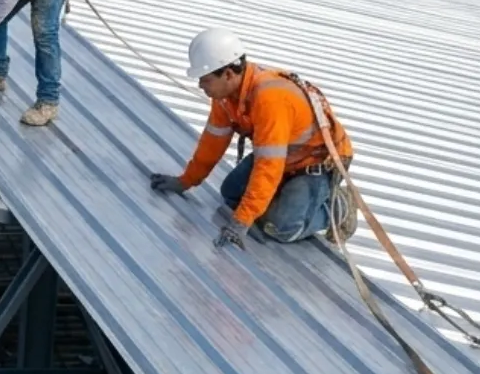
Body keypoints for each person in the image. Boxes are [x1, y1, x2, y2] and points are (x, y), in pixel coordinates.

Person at [149, 28, 357, 248]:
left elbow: (269, 166)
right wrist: (185, 181)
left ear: (228, 74)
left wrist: (241, 222)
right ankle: (283, 198)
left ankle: (339, 208)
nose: (200, 85)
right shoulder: (225, 97)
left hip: (316, 163)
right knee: (231, 193)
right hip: (284, 158)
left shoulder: (270, 99)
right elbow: (212, 144)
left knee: (281, 227)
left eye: (205, 79)